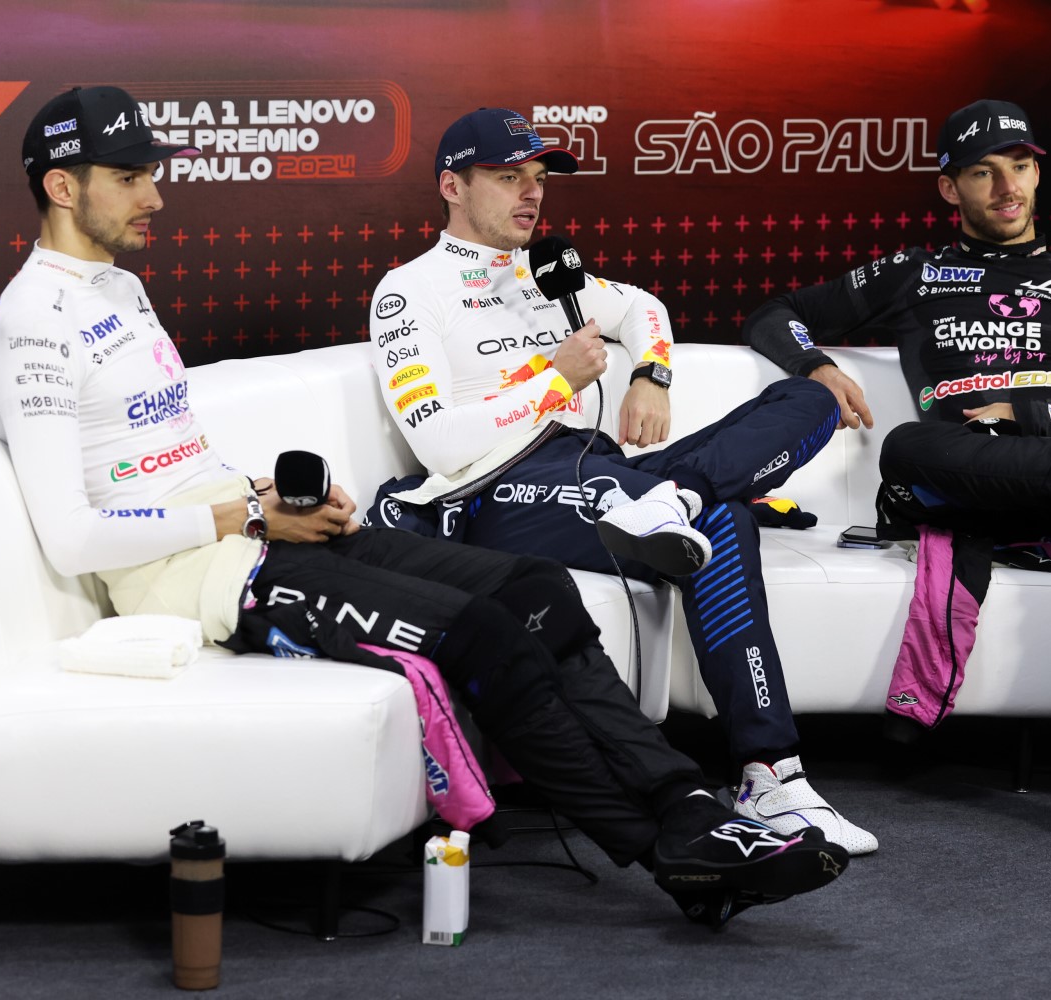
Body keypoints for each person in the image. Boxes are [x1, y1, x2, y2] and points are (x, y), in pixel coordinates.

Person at [0, 85, 850, 927]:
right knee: (489, 639)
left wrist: (267, 495)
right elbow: (75, 536)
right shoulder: (28, 324)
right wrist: (245, 519)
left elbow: (164, 462)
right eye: (130, 178)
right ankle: (676, 858)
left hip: (252, 531)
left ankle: (693, 800)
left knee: (538, 589)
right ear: (62, 186)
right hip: (202, 582)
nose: (155, 196)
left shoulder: (118, 288)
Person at [367, 107, 877, 855]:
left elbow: (645, 308)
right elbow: (439, 443)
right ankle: (772, 769)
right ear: (452, 185)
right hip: (493, 491)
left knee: (810, 399)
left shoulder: (546, 273)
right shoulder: (408, 292)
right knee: (726, 522)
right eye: (509, 178)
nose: (531, 195)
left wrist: (652, 375)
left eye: (538, 180)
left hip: (603, 469)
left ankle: (683, 497)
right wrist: (552, 378)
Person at [743, 99, 1051, 854]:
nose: (1006, 186)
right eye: (983, 172)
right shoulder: (915, 270)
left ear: (1038, 172)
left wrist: (1026, 416)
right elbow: (774, 314)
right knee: (909, 447)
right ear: (950, 189)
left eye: (1020, 166)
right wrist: (817, 366)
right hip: (966, 486)